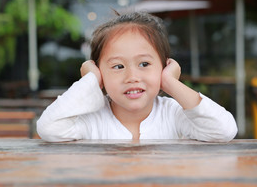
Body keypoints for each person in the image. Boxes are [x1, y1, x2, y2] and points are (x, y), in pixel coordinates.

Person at [37, 11, 238, 142]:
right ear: (100, 73)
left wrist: (170, 83)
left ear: (164, 66)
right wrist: (90, 81)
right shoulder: (92, 120)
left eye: (144, 64)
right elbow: (48, 128)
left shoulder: (172, 114)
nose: (132, 76)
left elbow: (224, 130)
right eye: (117, 66)